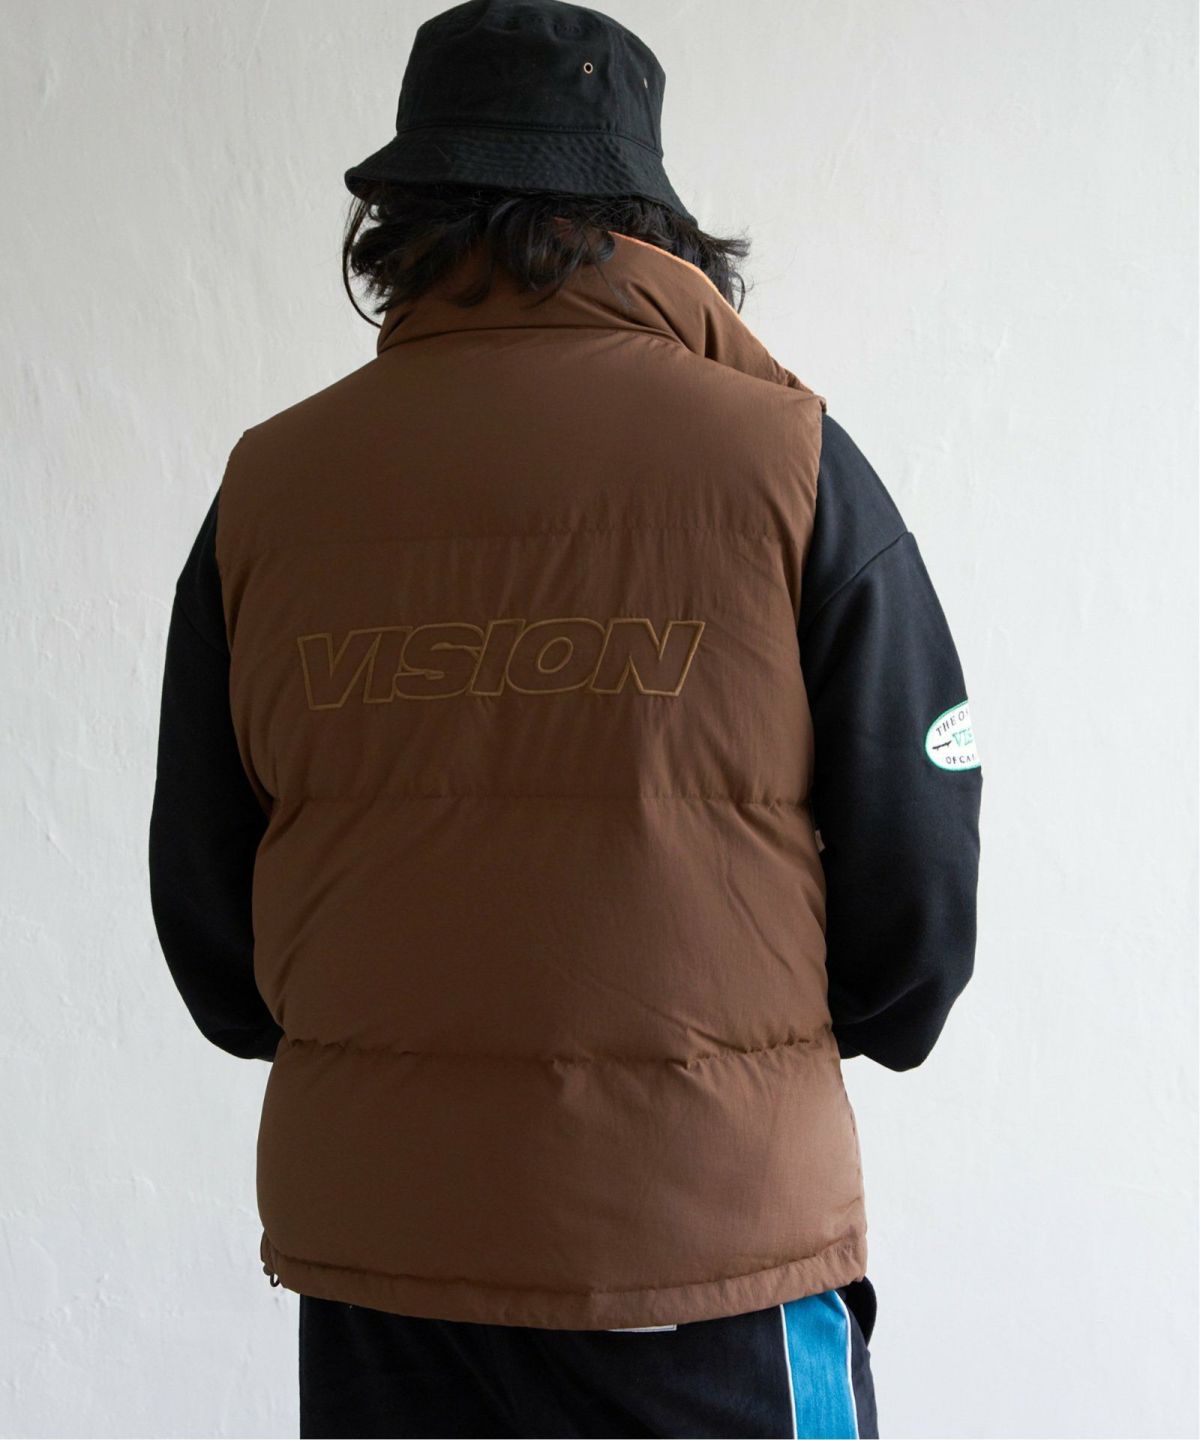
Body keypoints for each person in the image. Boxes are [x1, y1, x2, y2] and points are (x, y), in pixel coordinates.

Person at [147, 1, 983, 1435]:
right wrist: (745, 1060)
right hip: (706, 1250)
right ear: (648, 219)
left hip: (385, 1264)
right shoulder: (788, 465)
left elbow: (210, 919)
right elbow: (917, 883)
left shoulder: (269, 490)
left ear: (399, 221)